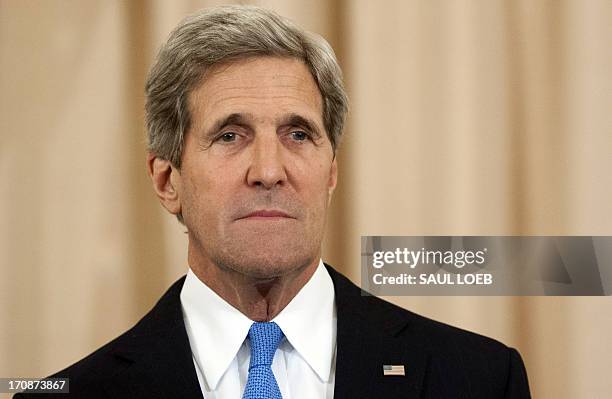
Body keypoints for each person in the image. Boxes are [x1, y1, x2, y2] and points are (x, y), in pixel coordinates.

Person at [16, 5, 531, 399]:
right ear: (167, 179)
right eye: (230, 136)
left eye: (299, 134)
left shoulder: (479, 379)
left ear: (331, 171)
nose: (268, 171)